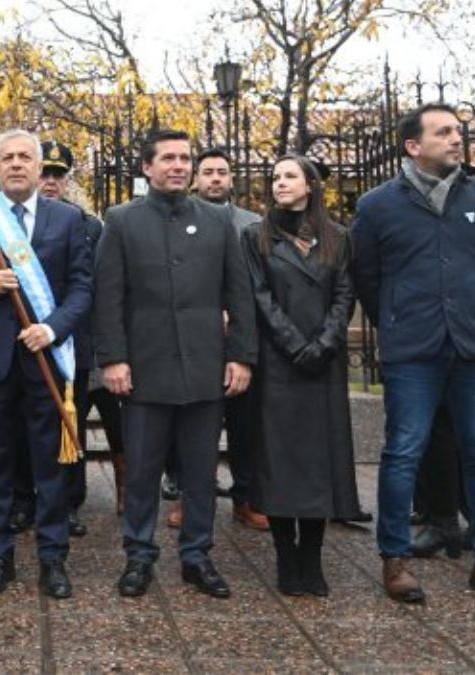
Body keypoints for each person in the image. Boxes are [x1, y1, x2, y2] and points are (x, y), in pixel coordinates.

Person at [352, 103, 475, 609]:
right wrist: (398, 322)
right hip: (413, 351)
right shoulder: (378, 205)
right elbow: (368, 277)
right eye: (444, 132)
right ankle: (395, 558)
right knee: (402, 452)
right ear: (413, 146)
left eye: (458, 131)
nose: (456, 139)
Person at [94, 129, 256, 599]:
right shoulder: (121, 220)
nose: (178, 166)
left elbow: (238, 294)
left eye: (185, 158)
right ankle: (138, 556)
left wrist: (241, 356)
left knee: (201, 471)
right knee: (143, 469)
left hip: (205, 368)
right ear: (147, 167)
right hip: (143, 370)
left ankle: (197, 556)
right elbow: (109, 297)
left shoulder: (216, 220)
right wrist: (113, 359)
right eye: (167, 158)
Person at [0, 129, 91, 598]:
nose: (17, 165)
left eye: (26, 157)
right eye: (8, 158)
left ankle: (52, 558)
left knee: (48, 465)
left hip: (44, 355)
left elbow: (84, 288)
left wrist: (52, 328)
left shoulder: (67, 219)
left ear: (40, 165)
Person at [242, 155, 362, 597]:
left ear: (310, 185)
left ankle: (311, 557)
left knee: (318, 464)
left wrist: (325, 343)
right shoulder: (255, 237)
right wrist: (295, 345)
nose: (279, 184)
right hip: (279, 364)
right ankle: (285, 555)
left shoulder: (338, 238)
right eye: (274, 177)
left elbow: (344, 294)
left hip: (322, 366)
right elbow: (259, 298)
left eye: (289, 176)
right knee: (279, 464)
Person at [166, 147, 269, 532]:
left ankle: (246, 497)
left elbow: (260, 282)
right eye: (207, 171)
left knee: (245, 424)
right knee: (190, 424)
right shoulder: (178, 218)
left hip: (240, 336)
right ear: (196, 177)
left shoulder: (255, 224)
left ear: (231, 178)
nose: (214, 178)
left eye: (221, 172)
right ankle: (191, 497)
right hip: (193, 337)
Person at [38, 139, 116, 529]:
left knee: (72, 423)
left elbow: (95, 285)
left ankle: (69, 500)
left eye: (58, 175)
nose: (50, 182)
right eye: (44, 173)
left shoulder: (90, 226)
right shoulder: (14, 220)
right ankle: (31, 495)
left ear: (67, 181)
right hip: (28, 339)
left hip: (72, 341)